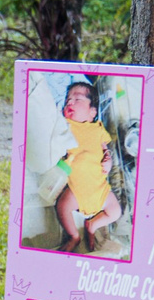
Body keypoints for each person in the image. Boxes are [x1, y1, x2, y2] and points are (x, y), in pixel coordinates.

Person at [50, 81, 121, 253]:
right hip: (77, 189)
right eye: (68, 100)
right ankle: (74, 235)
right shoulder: (65, 125)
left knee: (115, 211)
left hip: (100, 188)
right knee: (62, 207)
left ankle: (92, 225)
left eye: (77, 99)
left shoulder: (97, 128)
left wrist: (108, 162)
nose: (70, 103)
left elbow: (106, 151)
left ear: (92, 112)